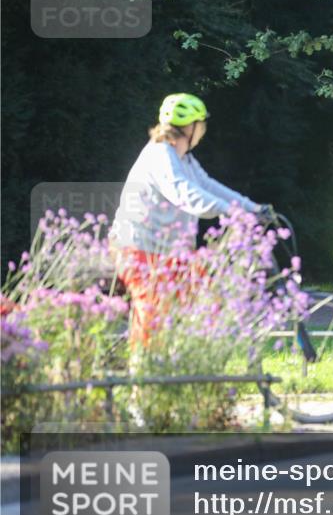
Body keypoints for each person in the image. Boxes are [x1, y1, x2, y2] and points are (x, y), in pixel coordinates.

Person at [110, 93, 271, 347]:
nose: (204, 131)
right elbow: (184, 193)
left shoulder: (183, 158)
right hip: (139, 248)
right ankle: (141, 380)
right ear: (190, 127)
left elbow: (206, 185)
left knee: (208, 298)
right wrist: (230, 211)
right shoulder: (160, 155)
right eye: (202, 125)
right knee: (153, 312)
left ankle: (184, 366)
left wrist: (252, 207)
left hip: (168, 251)